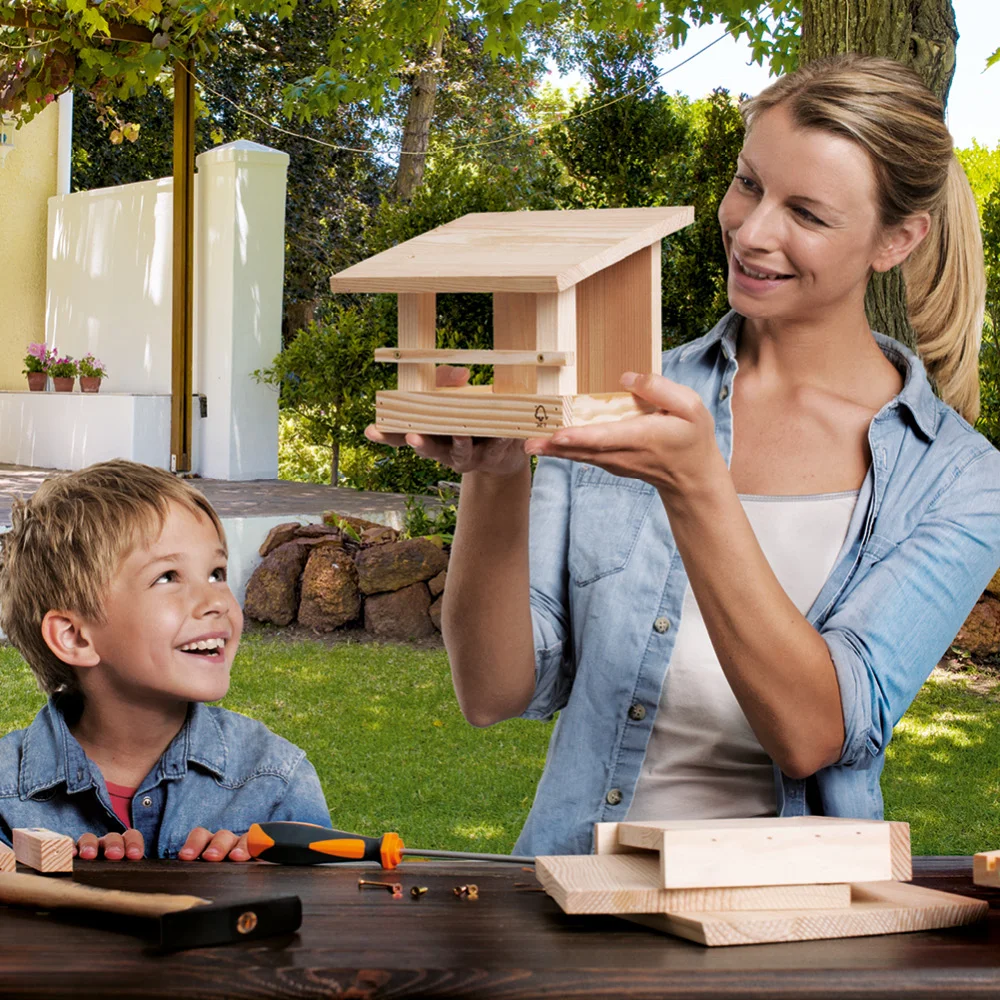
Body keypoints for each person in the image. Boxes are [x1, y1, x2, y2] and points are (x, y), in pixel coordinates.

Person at [367, 54, 1000, 857]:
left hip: (790, 910)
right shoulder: (615, 394)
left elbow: (814, 734)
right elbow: (493, 691)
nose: (753, 231)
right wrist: (495, 477)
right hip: (577, 893)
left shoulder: (958, 480)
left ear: (897, 240)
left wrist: (697, 486)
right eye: (749, 184)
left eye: (807, 213)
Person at [0, 460, 330, 860]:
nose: (216, 602)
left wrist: (256, 879)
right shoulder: (5, 796)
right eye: (168, 577)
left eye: (216, 573)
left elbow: (325, 895)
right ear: (74, 637)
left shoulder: (276, 777)